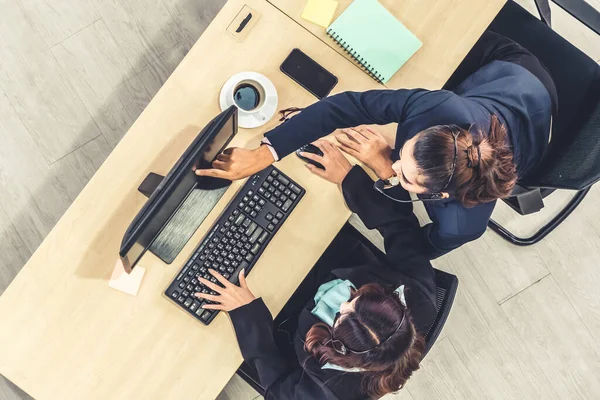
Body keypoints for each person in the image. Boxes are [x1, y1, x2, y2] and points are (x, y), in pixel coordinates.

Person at [197, 31, 558, 258]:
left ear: (439, 196)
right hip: (514, 74)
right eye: (405, 150)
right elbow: (350, 105)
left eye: (408, 176)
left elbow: (413, 249)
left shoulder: (462, 224)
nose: (396, 163)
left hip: (530, 114)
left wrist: (383, 170)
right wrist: (266, 154)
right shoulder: (439, 106)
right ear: (434, 131)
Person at [195, 143, 437, 399]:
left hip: (284, 310)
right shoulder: (419, 297)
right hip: (326, 251)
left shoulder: (327, 392)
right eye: (355, 298)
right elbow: (400, 229)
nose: (343, 303)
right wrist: (349, 179)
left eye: (342, 316)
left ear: (342, 351)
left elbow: (278, 386)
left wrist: (247, 314)